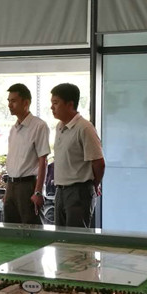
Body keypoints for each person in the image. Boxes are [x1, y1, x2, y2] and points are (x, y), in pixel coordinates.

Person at [51, 83, 105, 228]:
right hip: (60, 190)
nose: (52, 107)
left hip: (79, 191)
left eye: (55, 103)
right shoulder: (59, 127)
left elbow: (99, 162)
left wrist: (93, 185)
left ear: (70, 104)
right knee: (60, 236)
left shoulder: (85, 127)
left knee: (76, 237)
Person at [4, 83, 51, 225]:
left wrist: (38, 192)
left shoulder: (39, 126)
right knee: (10, 228)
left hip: (28, 185)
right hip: (11, 184)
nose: (9, 105)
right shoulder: (13, 129)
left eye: (13, 101)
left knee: (31, 228)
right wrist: (7, 191)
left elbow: (43, 161)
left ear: (26, 103)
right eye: (8, 101)